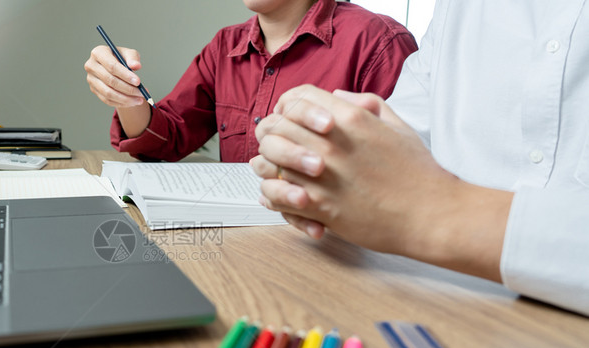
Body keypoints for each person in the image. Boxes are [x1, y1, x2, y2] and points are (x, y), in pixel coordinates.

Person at [250, 0, 589, 316]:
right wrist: (318, 160)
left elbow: (398, 186)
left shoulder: (372, 35)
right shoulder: (457, 8)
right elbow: (396, 136)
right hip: (437, 298)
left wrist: (436, 210)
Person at [84, 0, 417, 163]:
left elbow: (405, 174)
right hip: (244, 251)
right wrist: (126, 96)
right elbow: (167, 137)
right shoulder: (224, 47)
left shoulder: (378, 42)